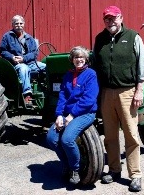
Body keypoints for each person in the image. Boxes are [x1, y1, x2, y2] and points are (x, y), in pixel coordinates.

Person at [93, 5, 144, 192]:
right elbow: (96, 66)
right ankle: (114, 169)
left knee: (131, 134)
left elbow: (143, 64)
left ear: (121, 18)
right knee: (109, 135)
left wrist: (139, 91)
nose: (110, 22)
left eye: (113, 18)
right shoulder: (99, 39)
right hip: (107, 93)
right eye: (107, 19)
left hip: (128, 93)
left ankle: (135, 175)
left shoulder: (133, 37)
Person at [46, 46, 99, 185]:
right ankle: (66, 164)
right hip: (66, 114)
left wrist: (71, 116)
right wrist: (58, 115)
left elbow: (89, 99)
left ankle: (75, 169)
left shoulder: (91, 74)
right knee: (51, 138)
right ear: (72, 60)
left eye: (81, 57)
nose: (79, 60)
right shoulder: (68, 75)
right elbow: (62, 96)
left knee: (67, 140)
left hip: (85, 113)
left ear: (86, 59)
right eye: (76, 57)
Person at [0, 14, 46, 108]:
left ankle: (47, 91)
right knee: (24, 69)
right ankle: (27, 95)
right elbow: (2, 51)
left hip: (30, 63)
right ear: (12, 24)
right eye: (16, 23)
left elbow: (34, 53)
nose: (19, 25)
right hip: (15, 65)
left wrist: (24, 58)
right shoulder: (7, 37)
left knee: (46, 67)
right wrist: (12, 57)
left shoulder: (29, 38)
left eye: (21, 23)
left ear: (24, 24)